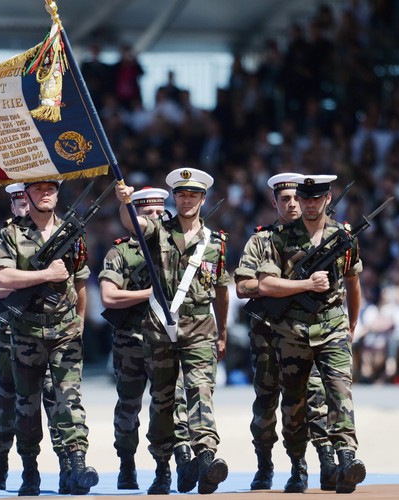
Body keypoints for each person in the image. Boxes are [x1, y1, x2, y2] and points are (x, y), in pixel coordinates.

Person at [114, 168, 230, 495]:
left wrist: (222, 331)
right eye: (181, 194)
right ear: (175, 198)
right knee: (163, 399)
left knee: (201, 390)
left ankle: (206, 456)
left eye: (193, 194)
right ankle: (163, 465)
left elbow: (222, 291)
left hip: (200, 326)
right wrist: (125, 202)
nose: (187, 199)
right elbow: (131, 223)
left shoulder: (215, 243)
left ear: (203, 199)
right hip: (160, 327)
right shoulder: (158, 230)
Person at [250, 174, 366, 494]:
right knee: (294, 403)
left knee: (340, 390)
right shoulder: (279, 237)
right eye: (306, 199)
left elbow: (354, 282)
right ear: (298, 200)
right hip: (292, 331)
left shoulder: (343, 236)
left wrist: (352, 322)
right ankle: (298, 464)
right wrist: (305, 285)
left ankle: (346, 458)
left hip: (332, 327)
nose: (310, 204)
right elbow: (264, 285)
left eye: (318, 198)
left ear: (328, 199)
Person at [0, 179, 98, 496]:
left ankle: (76, 466)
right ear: (27, 195)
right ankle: (30, 469)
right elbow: (2, 276)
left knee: (69, 399)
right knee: (27, 407)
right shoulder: (11, 235)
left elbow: (80, 283)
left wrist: (79, 321)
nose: (46, 193)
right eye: (39, 190)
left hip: (64, 330)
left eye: (51, 188)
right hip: (26, 333)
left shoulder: (71, 232)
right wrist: (44, 276)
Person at [234, 173, 338, 492]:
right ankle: (265, 465)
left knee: (314, 396)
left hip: (306, 330)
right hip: (267, 332)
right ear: (275, 202)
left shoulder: (321, 236)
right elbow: (242, 286)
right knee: (267, 400)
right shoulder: (262, 239)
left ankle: (322, 463)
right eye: (285, 200)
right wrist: (277, 287)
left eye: (297, 198)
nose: (292, 204)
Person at [99, 187, 194, 493]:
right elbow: (109, 296)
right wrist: (149, 294)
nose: (154, 217)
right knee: (129, 405)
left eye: (158, 213)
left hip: (165, 339)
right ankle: (127, 463)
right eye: (146, 213)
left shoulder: (176, 249)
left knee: (170, 403)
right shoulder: (121, 251)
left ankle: (174, 464)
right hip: (131, 340)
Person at [0, 182, 66, 492]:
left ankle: (60, 466)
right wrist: (29, 284)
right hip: (7, 331)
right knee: (6, 401)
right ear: (14, 202)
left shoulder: (55, 235)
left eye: (24, 198)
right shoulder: (1, 240)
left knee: (55, 398)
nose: (23, 204)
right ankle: (0, 461)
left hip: (46, 329)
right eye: (17, 199)